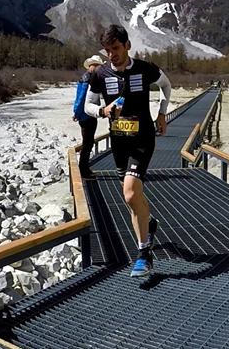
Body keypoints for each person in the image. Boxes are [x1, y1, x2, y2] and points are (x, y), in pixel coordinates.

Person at [84, 25, 171, 277]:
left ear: (127, 46)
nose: (112, 54)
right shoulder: (100, 74)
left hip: (142, 140)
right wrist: (103, 111)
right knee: (131, 198)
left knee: (131, 193)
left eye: (116, 48)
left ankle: (144, 255)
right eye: (107, 50)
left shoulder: (145, 68)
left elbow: (166, 86)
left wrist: (162, 113)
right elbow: (88, 104)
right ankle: (149, 223)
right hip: (118, 143)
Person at [73, 54, 104, 179]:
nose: (95, 68)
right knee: (87, 143)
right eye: (94, 65)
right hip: (86, 115)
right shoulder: (89, 79)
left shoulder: (86, 77)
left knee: (88, 142)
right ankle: (83, 170)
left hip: (86, 114)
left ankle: (84, 168)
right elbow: (81, 98)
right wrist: (77, 113)